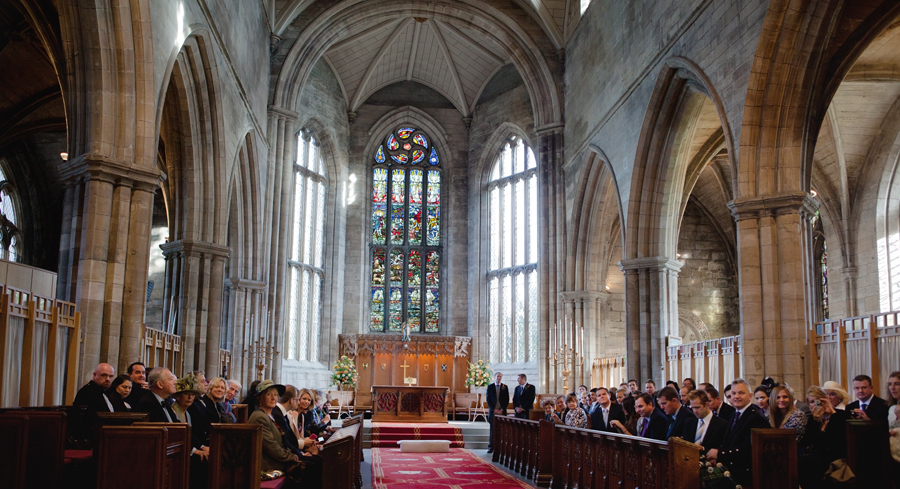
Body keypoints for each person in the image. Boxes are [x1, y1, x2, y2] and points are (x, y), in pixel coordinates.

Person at [249, 380, 322, 489]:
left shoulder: (269, 415)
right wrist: (293, 457)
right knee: (313, 466)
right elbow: (271, 447)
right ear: (260, 398)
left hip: (278, 460)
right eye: (269, 395)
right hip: (268, 464)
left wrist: (295, 455)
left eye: (275, 395)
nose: (274, 398)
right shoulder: (259, 417)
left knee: (318, 462)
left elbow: (283, 442)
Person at [707, 379, 770, 488]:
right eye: (733, 393)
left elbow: (750, 449)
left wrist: (720, 453)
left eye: (741, 393)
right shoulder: (734, 414)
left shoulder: (755, 418)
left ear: (750, 396)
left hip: (745, 475)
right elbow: (728, 441)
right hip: (731, 470)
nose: (736, 396)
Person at [798, 386, 849, 488]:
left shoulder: (840, 416)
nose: (816, 405)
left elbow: (838, 442)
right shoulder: (812, 420)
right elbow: (807, 442)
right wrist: (815, 421)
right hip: (816, 460)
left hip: (836, 458)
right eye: (812, 402)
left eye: (819, 401)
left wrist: (832, 413)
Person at [683, 390, 728, 454]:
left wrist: (704, 449)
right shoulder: (689, 422)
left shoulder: (721, 425)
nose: (695, 411)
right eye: (692, 408)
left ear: (707, 405)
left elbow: (721, 449)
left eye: (697, 407)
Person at [486, 371, 509, 453]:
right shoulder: (490, 387)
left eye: (500, 376)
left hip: (501, 411)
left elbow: (506, 399)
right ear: (495, 377)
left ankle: (500, 448)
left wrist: (502, 409)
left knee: (502, 430)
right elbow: (488, 399)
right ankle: (491, 447)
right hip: (493, 411)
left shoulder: (505, 387)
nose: (498, 378)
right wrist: (493, 409)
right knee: (493, 430)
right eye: (497, 376)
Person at [886, 371, 900, 482]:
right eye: (890, 384)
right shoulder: (891, 408)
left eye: (897, 384)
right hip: (893, 457)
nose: (893, 388)